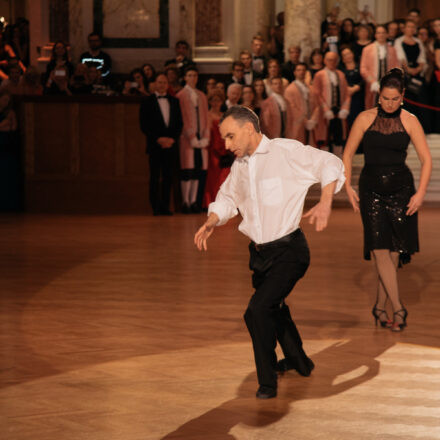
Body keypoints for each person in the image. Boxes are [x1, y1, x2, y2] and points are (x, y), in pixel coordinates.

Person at [194, 105, 345, 399]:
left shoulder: (285, 152)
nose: (226, 144)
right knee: (275, 308)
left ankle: (267, 382)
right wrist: (213, 220)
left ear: (249, 129)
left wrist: (326, 201)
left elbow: (330, 164)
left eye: (230, 136)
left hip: (290, 251)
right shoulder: (239, 166)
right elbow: (227, 198)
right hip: (260, 255)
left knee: (257, 311)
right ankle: (299, 359)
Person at [343, 68, 432, 332]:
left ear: (403, 96)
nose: (389, 103)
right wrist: (347, 186)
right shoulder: (364, 118)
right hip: (370, 190)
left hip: (402, 190)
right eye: (385, 98)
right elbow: (347, 155)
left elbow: (427, 160)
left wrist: (421, 193)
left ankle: (379, 307)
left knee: (393, 254)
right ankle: (399, 308)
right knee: (380, 249)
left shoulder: (411, 120)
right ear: (378, 96)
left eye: (394, 98)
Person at [140, 72, 183, 215]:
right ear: (154, 84)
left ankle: (165, 207)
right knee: (155, 177)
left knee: (168, 177)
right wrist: (158, 139)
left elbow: (179, 124)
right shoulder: (147, 101)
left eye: (165, 82)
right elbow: (144, 125)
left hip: (170, 146)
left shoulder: (175, 101)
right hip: (155, 145)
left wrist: (171, 140)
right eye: (160, 82)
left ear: (168, 84)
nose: (162, 85)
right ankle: (155, 208)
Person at [176, 67, 209, 213]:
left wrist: (206, 137)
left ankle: (194, 201)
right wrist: (191, 136)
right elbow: (182, 117)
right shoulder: (180, 95)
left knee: (197, 170)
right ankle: (186, 201)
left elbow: (206, 118)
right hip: (187, 139)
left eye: (195, 75)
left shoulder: (202, 95)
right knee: (187, 170)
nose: (193, 78)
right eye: (189, 75)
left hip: (201, 138)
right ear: (185, 77)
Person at [395, 20, 431, 133]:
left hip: (418, 75)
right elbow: (400, 58)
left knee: (421, 101)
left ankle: (422, 128)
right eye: (408, 27)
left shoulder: (418, 41)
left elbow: (422, 58)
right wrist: (408, 70)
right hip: (405, 76)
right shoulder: (399, 41)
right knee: (407, 102)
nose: (411, 29)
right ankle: (406, 127)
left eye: (413, 27)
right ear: (404, 28)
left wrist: (418, 69)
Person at [313, 51, 351, 155]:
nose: (332, 62)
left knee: (338, 137)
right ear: (325, 61)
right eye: (329, 60)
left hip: (338, 111)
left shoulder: (341, 74)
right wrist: (325, 109)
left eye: (334, 60)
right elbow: (317, 94)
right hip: (324, 112)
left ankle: (337, 160)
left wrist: (345, 108)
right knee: (324, 138)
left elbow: (347, 93)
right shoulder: (319, 75)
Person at [203, 90, 232, 208]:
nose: (215, 102)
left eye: (218, 100)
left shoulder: (224, 115)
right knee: (213, 177)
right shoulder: (207, 115)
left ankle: (224, 203)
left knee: (225, 177)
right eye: (213, 100)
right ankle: (211, 202)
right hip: (213, 150)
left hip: (225, 149)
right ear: (209, 101)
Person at [360, 25, 399, 109]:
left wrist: (392, 80)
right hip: (373, 86)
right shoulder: (367, 49)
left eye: (383, 33)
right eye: (378, 33)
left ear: (387, 35)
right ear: (375, 35)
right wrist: (372, 82)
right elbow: (363, 69)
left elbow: (397, 67)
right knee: (372, 108)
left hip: (389, 85)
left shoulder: (392, 50)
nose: (381, 35)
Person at [284, 63, 319, 144]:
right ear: (295, 72)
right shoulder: (290, 89)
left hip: (311, 123)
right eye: (299, 70)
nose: (301, 72)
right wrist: (305, 120)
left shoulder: (310, 88)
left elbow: (316, 105)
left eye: (303, 70)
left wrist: (313, 119)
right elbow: (292, 108)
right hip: (297, 125)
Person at [0, 89, 20, 211]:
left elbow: (13, 128)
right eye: (4, 99)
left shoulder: (11, 113)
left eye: (8, 100)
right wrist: (4, 125)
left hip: (6, 146)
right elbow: (6, 126)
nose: (6, 102)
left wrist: (6, 126)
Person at [340, 46, 365, 131]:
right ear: (342, 58)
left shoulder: (361, 67)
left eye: (349, 53)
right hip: (347, 99)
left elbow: (365, 79)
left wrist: (358, 86)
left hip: (360, 97)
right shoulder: (341, 70)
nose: (348, 56)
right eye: (345, 55)